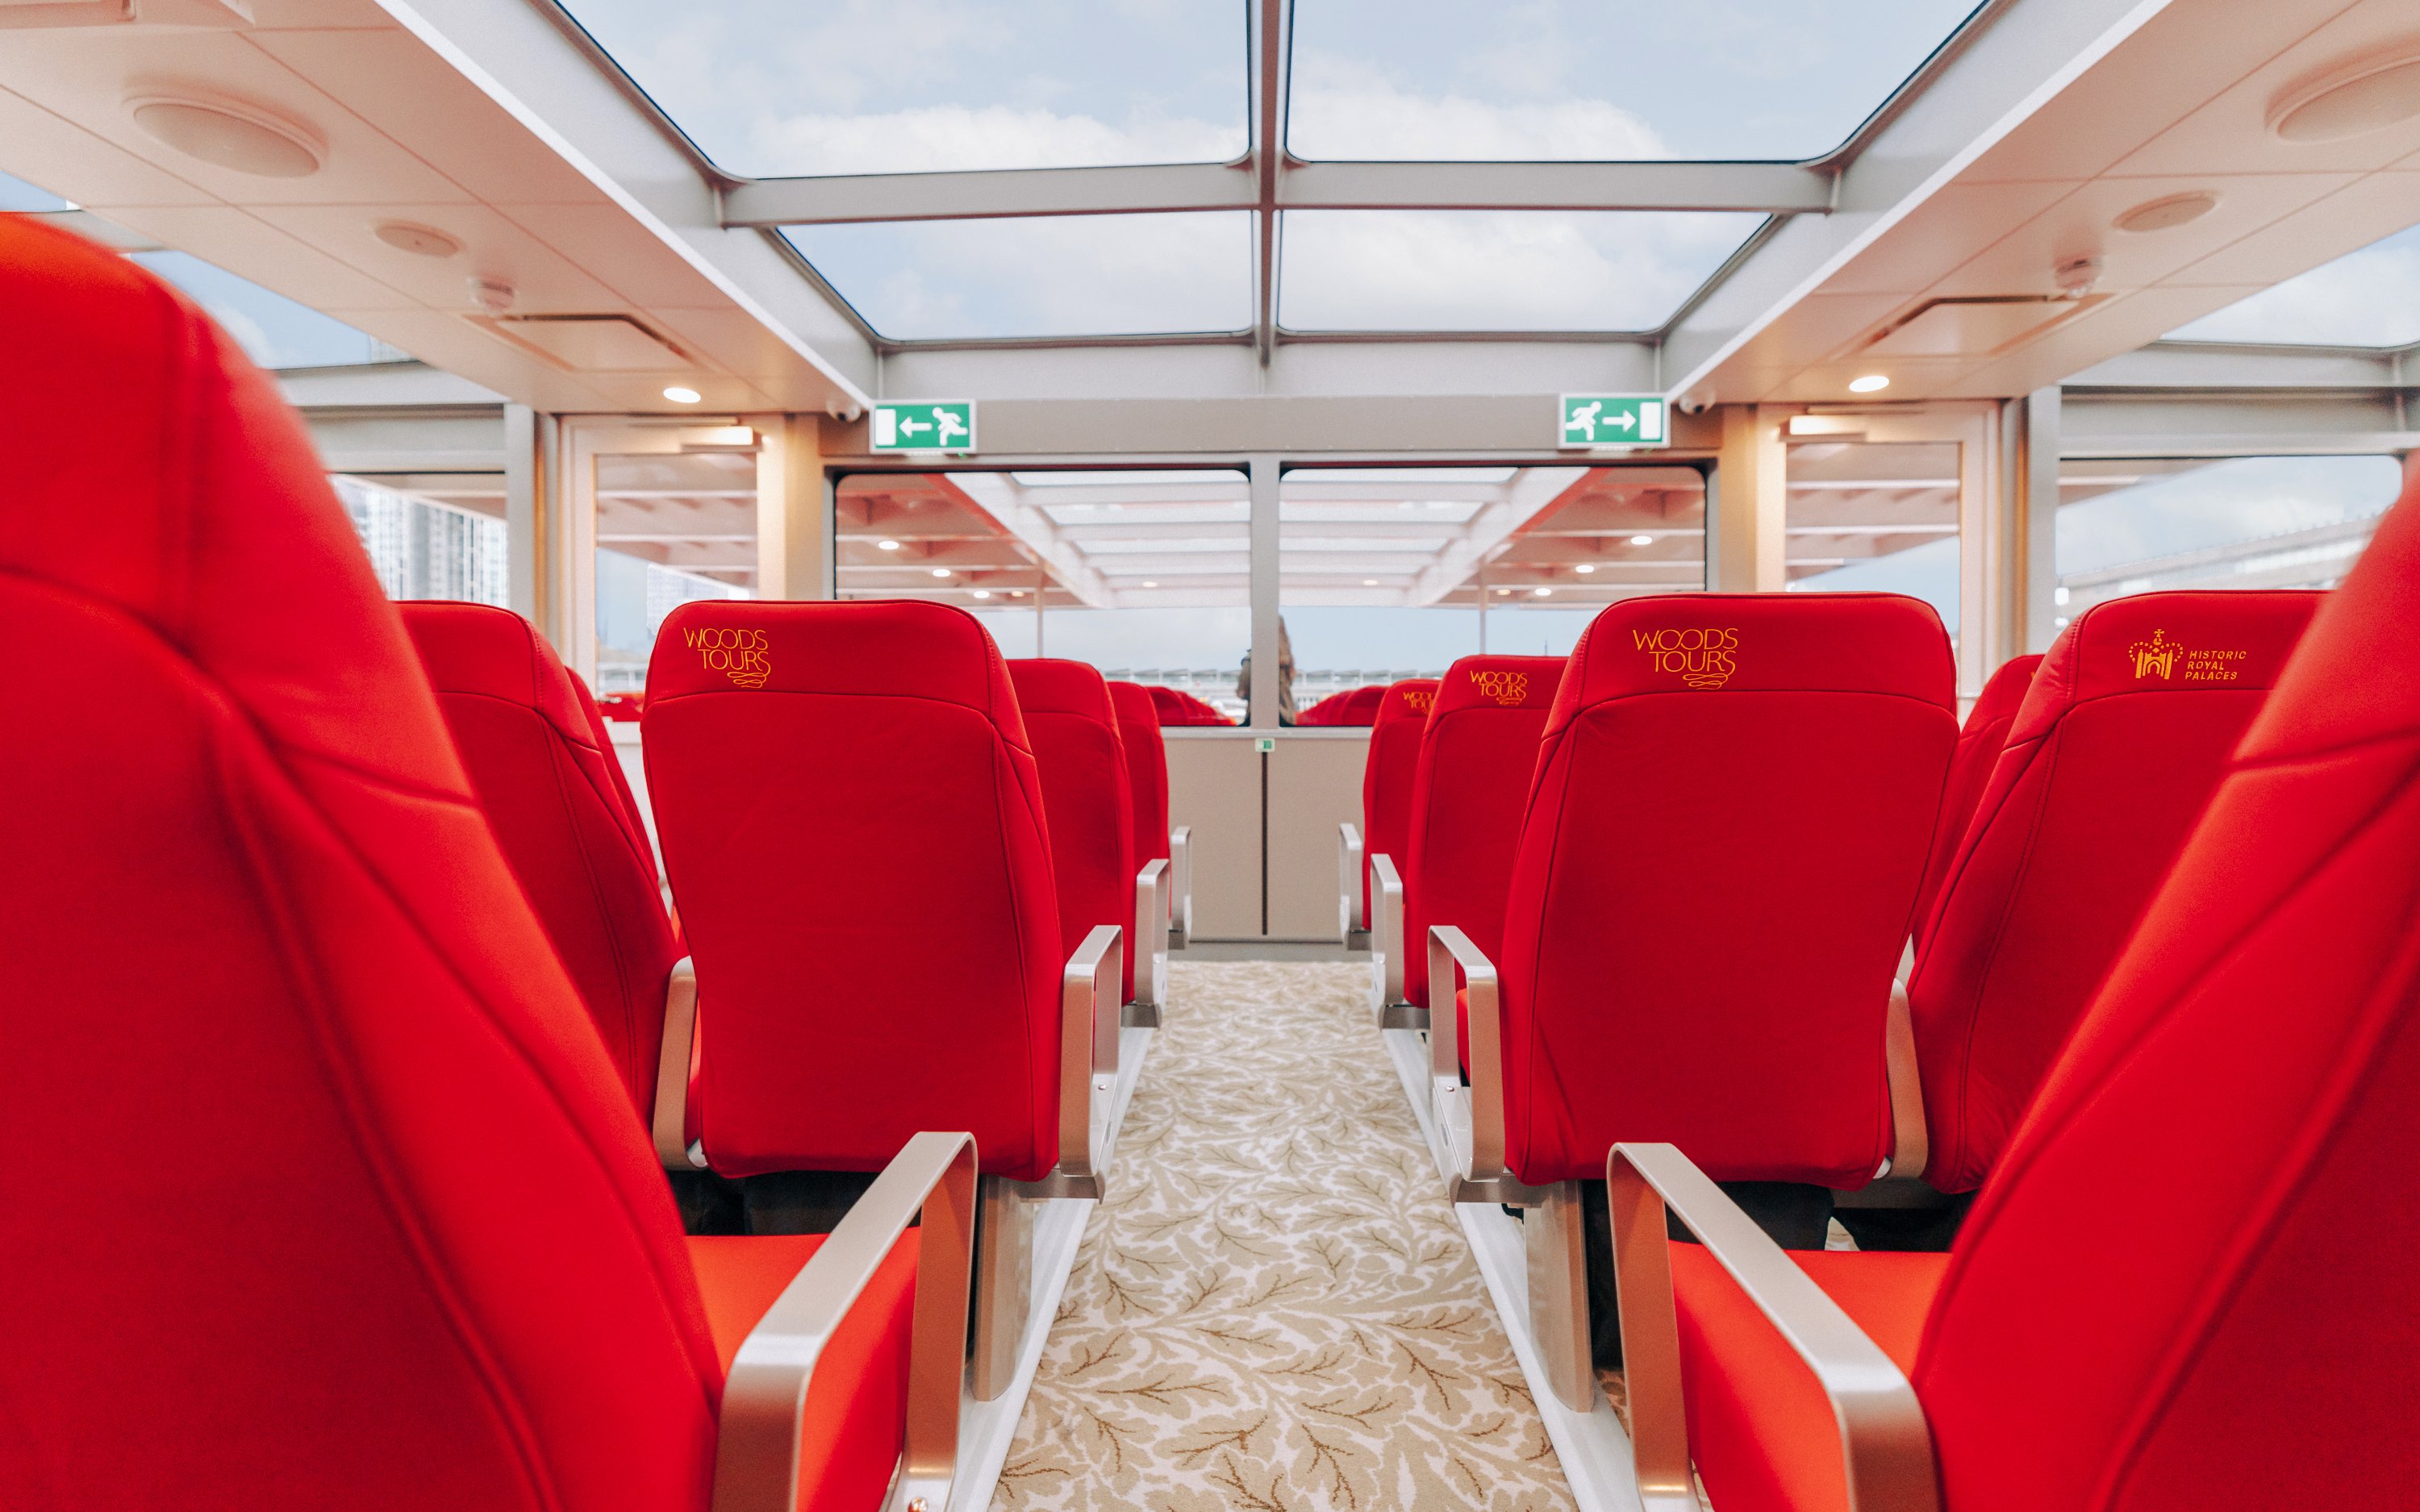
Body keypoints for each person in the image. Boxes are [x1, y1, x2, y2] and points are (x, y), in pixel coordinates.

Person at [1235, 617, 1299, 725]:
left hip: (1258, 715)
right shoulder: (1287, 658)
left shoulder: (1252, 658)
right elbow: (1291, 680)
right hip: (1285, 716)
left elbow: (1242, 691)